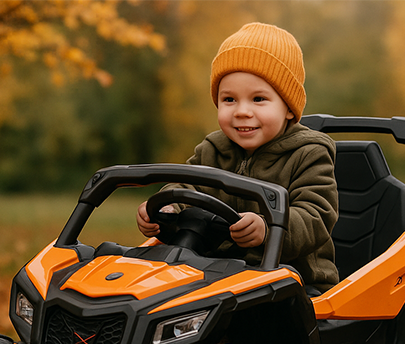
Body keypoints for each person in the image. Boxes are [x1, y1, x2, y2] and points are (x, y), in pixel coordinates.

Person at [136, 22, 339, 293]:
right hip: (216, 274)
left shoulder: (309, 154)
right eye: (229, 100)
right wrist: (167, 208)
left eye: (258, 99)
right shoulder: (213, 148)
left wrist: (268, 230)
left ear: (289, 108)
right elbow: (185, 186)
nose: (242, 111)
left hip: (292, 281)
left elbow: (316, 216)